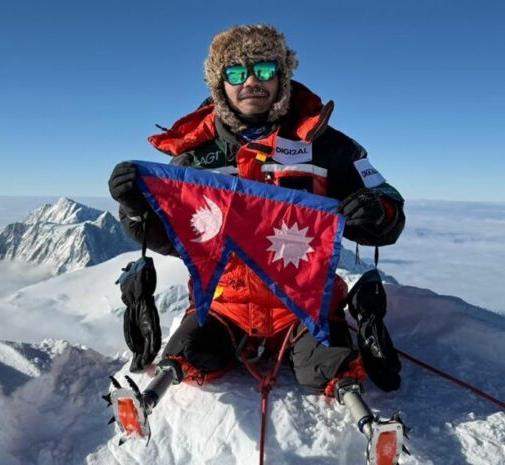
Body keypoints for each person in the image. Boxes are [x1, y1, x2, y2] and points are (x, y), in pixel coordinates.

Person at [107, 24, 406, 459]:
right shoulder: (193, 156)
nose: (251, 81)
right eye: (236, 72)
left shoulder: (329, 146)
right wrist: (135, 209)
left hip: (305, 303)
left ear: (281, 76)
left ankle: (369, 423)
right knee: (191, 353)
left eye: (264, 69)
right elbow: (173, 239)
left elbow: (389, 205)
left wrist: (377, 211)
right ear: (219, 83)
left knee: (325, 365)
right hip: (224, 301)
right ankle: (148, 398)